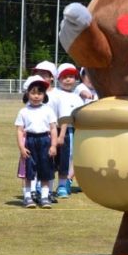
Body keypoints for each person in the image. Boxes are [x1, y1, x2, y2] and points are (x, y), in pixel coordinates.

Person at [15, 75, 58, 209]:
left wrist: (53, 145)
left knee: (45, 171)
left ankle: (45, 197)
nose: (36, 96)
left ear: (44, 95)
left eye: (39, 93)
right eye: (33, 93)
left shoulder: (48, 110)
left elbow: (53, 129)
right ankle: (27, 197)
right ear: (27, 94)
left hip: (45, 141)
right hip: (30, 141)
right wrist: (22, 147)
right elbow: (20, 131)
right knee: (29, 172)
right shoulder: (23, 111)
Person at [53, 63, 84, 198]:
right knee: (53, 159)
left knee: (69, 158)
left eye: (71, 76)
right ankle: (44, 185)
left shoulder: (77, 97)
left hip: (72, 131)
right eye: (64, 77)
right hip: (55, 130)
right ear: (58, 79)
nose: (68, 80)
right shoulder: (55, 94)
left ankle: (63, 185)